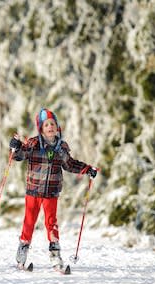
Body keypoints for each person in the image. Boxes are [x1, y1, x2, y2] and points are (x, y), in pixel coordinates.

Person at [9, 108, 98, 269]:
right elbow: (20, 155)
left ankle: (55, 254)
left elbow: (70, 164)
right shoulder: (33, 143)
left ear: (57, 127)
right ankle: (22, 251)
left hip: (51, 192)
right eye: (46, 125)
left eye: (52, 124)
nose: (50, 127)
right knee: (29, 221)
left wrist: (87, 169)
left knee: (51, 222)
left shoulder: (61, 147)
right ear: (41, 128)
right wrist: (15, 148)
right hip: (33, 190)